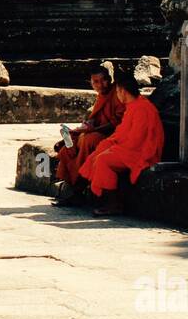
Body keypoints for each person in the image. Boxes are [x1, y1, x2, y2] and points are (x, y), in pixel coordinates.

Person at [78, 74, 164, 217]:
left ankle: (113, 204)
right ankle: (94, 196)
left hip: (142, 151)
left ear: (122, 91)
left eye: (117, 92)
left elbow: (136, 140)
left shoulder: (142, 108)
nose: (117, 95)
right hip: (130, 147)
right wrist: (110, 142)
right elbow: (121, 131)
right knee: (99, 151)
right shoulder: (133, 106)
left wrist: (114, 146)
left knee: (103, 159)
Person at [51, 64, 124, 207]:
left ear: (109, 79)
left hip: (109, 136)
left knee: (87, 140)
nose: (100, 85)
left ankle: (76, 189)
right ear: (91, 83)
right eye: (95, 82)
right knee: (67, 143)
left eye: (103, 80)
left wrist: (92, 129)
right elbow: (95, 117)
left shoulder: (116, 93)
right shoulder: (101, 97)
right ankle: (72, 189)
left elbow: (117, 122)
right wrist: (86, 126)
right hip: (94, 132)